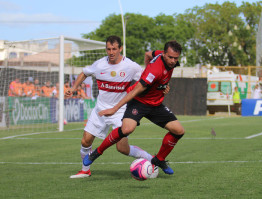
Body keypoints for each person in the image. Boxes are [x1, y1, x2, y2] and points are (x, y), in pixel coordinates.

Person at [83, 40, 185, 175]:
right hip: (139, 102)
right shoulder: (154, 71)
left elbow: (148, 54)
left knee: (179, 131)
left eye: (175, 58)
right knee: (126, 129)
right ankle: (97, 152)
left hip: (155, 104)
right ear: (164, 54)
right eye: (170, 57)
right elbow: (135, 91)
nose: (173, 61)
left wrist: (155, 79)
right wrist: (114, 109)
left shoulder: (161, 55)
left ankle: (159, 160)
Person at [66, 35, 160, 179]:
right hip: (100, 109)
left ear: (120, 48)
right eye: (108, 49)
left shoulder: (130, 66)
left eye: (114, 49)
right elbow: (84, 73)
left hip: (120, 111)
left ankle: (151, 159)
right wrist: (73, 88)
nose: (111, 52)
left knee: (122, 148)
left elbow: (148, 79)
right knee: (85, 140)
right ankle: (85, 170)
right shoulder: (99, 64)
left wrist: (162, 87)